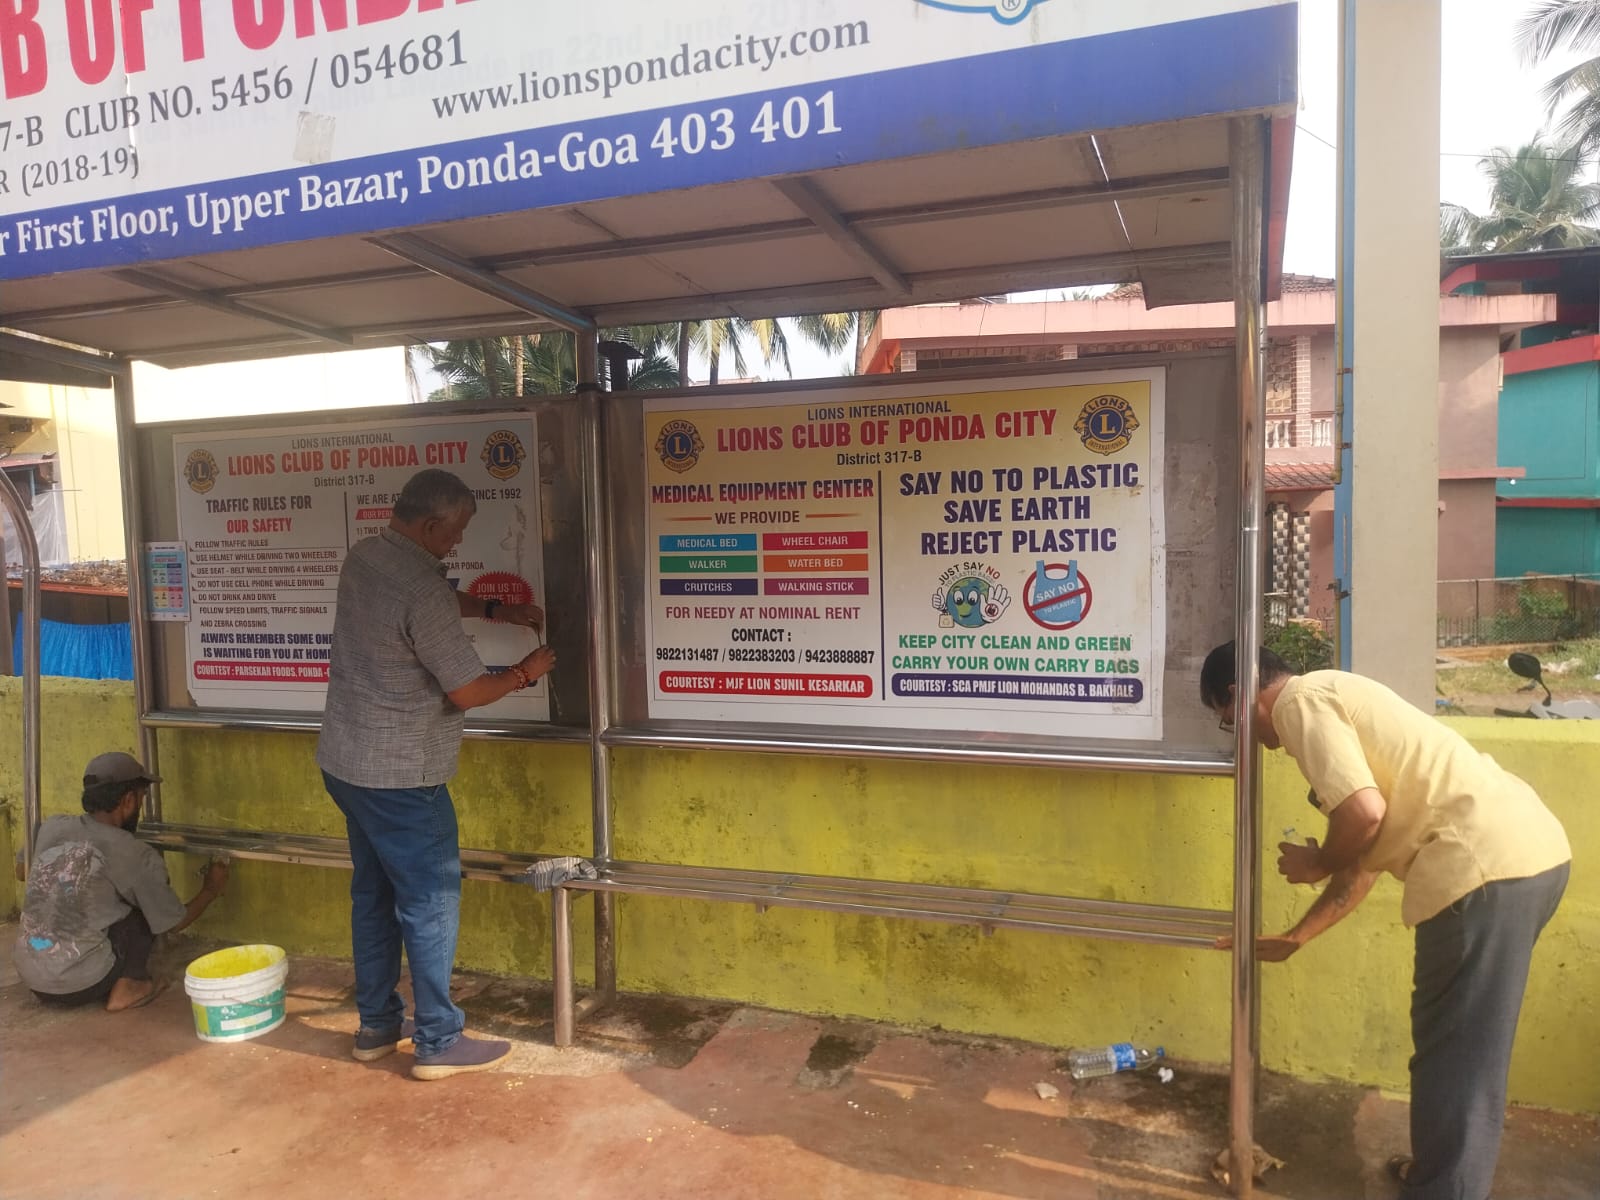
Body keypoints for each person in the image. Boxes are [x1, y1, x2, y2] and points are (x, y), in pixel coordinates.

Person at [1201, 642, 1571, 1200]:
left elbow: (1363, 815)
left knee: (1458, 1057)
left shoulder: (1299, 702)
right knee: (1460, 1044)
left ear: (1238, 694)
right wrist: (1299, 936)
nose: (1242, 735)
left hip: (1480, 872)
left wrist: (1316, 863)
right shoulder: (1334, 700)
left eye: (1228, 720)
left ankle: (1444, 1189)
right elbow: (1365, 857)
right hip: (1525, 858)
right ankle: (1438, 1174)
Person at [316, 468, 556, 1081]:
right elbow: (468, 690)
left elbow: (434, 600)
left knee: (373, 897)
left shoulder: (366, 557)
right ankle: (439, 1042)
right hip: (403, 780)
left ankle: (376, 1028)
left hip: (347, 765)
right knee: (430, 903)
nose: (459, 541)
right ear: (430, 525)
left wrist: (495, 608)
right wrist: (526, 671)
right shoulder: (421, 588)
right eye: (456, 531)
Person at [15, 751, 229, 1011]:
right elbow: (173, 922)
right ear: (128, 800)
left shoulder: (52, 826)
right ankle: (128, 988)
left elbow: (22, 871)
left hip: (32, 977)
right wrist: (211, 889)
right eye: (141, 797)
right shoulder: (133, 852)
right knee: (141, 913)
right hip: (84, 982)